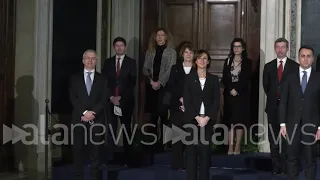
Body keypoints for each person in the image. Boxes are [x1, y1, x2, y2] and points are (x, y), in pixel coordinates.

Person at [279, 46, 320, 180]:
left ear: (313, 59)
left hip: (312, 126)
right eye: (303, 56)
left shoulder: (318, 78)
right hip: (292, 125)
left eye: (309, 56)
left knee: (310, 160)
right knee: (291, 158)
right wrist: (282, 124)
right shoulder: (290, 77)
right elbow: (283, 101)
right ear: (298, 58)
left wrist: (319, 127)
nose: (306, 58)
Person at [69, 49, 108, 180]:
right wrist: (85, 113)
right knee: (78, 149)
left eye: (93, 58)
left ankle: (95, 176)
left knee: (96, 150)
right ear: (83, 60)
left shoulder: (102, 79)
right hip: (79, 118)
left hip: (97, 119)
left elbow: (104, 99)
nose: (90, 60)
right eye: (87, 58)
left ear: (96, 61)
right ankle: (79, 175)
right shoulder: (74, 78)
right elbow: (73, 98)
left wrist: (93, 113)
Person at [262, 38, 298, 174]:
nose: (280, 49)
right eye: (278, 47)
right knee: (273, 138)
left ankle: (285, 166)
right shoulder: (268, 66)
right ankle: (276, 166)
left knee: (287, 139)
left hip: (289, 109)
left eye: (283, 47)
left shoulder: (294, 66)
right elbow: (266, 86)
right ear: (275, 48)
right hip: (272, 108)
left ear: (287, 48)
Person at [183, 50, 220, 180]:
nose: (202, 61)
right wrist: (197, 117)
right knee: (191, 152)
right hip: (192, 119)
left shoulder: (214, 79)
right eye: (199, 58)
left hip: (207, 120)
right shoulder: (189, 78)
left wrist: (207, 117)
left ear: (208, 61)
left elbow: (217, 101)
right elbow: (187, 100)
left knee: (205, 152)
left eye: (205, 58)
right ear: (195, 61)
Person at [102, 37, 137, 166]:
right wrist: (111, 97)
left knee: (126, 129)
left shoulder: (131, 62)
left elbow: (132, 82)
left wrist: (120, 97)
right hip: (110, 101)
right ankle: (110, 159)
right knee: (111, 129)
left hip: (125, 101)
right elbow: (104, 82)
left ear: (125, 47)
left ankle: (128, 159)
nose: (119, 48)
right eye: (117, 45)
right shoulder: (108, 62)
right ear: (113, 47)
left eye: (121, 45)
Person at [143, 27, 176, 151]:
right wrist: (151, 81)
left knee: (163, 115)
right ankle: (153, 143)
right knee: (153, 115)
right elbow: (145, 68)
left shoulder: (171, 52)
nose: (160, 37)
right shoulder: (150, 51)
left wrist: (160, 83)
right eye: (158, 35)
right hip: (151, 87)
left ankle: (165, 143)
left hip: (165, 88)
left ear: (166, 37)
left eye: (162, 35)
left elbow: (170, 70)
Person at [221, 38, 252, 155]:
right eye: (234, 46)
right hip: (229, 94)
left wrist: (237, 89)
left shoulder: (247, 62)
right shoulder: (228, 61)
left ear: (243, 48)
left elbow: (246, 77)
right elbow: (225, 77)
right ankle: (230, 146)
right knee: (230, 121)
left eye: (239, 46)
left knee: (239, 121)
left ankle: (237, 146)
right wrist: (230, 89)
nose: (236, 48)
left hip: (241, 94)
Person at [167, 43, 194, 170]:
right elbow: (172, 85)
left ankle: (189, 164)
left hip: (192, 107)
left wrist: (188, 100)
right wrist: (181, 98)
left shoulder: (197, 69)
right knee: (177, 137)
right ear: (182, 54)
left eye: (190, 52)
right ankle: (177, 165)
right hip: (177, 106)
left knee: (190, 137)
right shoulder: (175, 68)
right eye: (186, 52)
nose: (188, 54)